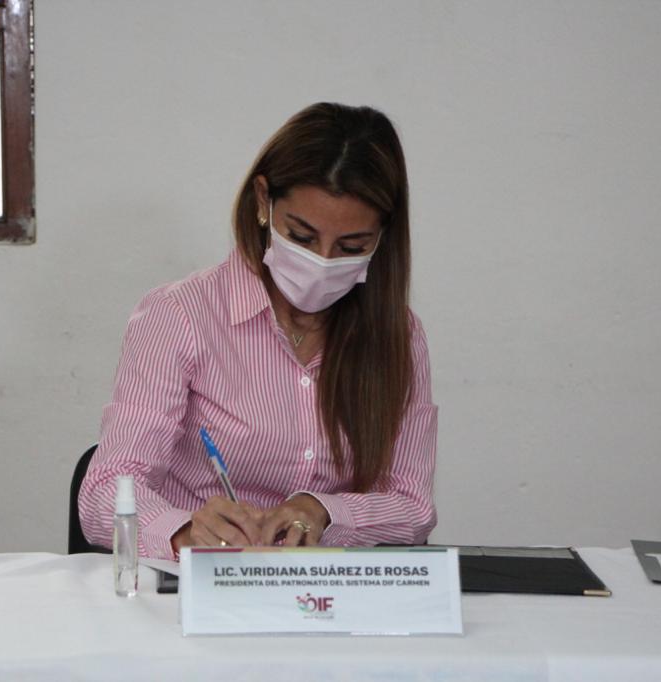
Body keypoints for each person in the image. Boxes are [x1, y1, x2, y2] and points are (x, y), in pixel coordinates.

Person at [78, 103, 438, 560]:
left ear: (382, 238)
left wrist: (325, 511)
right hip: (201, 581)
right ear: (263, 201)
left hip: (325, 587)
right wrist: (184, 532)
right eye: (302, 236)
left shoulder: (399, 335)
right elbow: (105, 491)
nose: (323, 261)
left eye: (352, 246)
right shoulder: (180, 315)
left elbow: (412, 507)